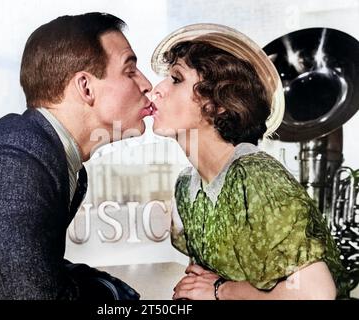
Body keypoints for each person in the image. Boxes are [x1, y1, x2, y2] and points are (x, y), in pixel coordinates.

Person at [0, 12, 153, 300]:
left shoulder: (52, 157)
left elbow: (29, 267)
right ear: (85, 87)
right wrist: (110, 294)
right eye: (130, 70)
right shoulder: (14, 158)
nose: (147, 84)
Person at [150, 24, 351, 300]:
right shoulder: (186, 185)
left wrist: (221, 290)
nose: (156, 90)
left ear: (220, 102)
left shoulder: (255, 174)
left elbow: (315, 293)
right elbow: (200, 281)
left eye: (176, 78)